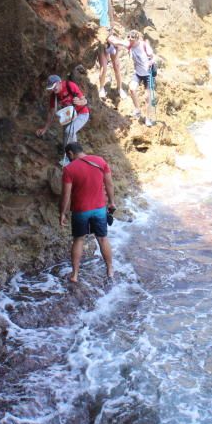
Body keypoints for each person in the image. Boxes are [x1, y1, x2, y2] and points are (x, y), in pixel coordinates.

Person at [60, 142, 116, 283]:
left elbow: (65, 195)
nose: (68, 158)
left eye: (68, 156)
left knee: (78, 240)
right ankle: (110, 270)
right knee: (102, 238)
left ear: (71, 153)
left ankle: (75, 274)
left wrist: (62, 213)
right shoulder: (100, 161)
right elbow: (109, 184)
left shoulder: (69, 169)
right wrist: (111, 202)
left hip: (80, 211)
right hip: (99, 209)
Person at [83, 0, 125, 99]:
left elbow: (109, 6)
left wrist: (112, 22)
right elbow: (84, 9)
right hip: (98, 30)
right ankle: (101, 88)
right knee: (104, 65)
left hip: (108, 28)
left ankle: (120, 88)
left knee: (116, 64)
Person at [36, 75, 90, 162]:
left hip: (82, 114)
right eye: (51, 88)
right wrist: (45, 129)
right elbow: (51, 113)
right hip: (69, 116)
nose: (54, 90)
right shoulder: (54, 96)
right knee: (66, 138)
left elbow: (85, 101)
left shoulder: (70, 85)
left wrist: (79, 102)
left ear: (59, 82)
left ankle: (78, 157)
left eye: (54, 87)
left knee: (69, 131)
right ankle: (67, 158)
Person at [126, 29, 157, 126]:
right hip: (138, 73)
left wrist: (150, 62)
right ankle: (137, 109)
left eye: (132, 39)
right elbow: (118, 42)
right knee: (132, 89)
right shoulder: (129, 46)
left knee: (148, 98)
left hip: (148, 74)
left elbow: (153, 57)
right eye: (129, 39)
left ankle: (148, 119)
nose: (130, 41)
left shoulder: (143, 45)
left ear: (137, 39)